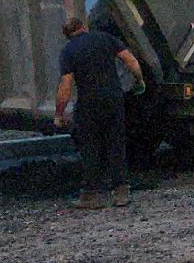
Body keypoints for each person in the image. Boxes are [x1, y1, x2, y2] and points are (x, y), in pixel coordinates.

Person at [55, 16, 144, 209]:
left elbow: (66, 86)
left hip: (89, 104)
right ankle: (121, 192)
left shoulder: (68, 51)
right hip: (114, 99)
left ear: (67, 35)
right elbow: (130, 60)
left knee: (90, 147)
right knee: (116, 143)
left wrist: (59, 113)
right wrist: (139, 80)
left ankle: (90, 195)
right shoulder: (105, 39)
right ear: (83, 27)